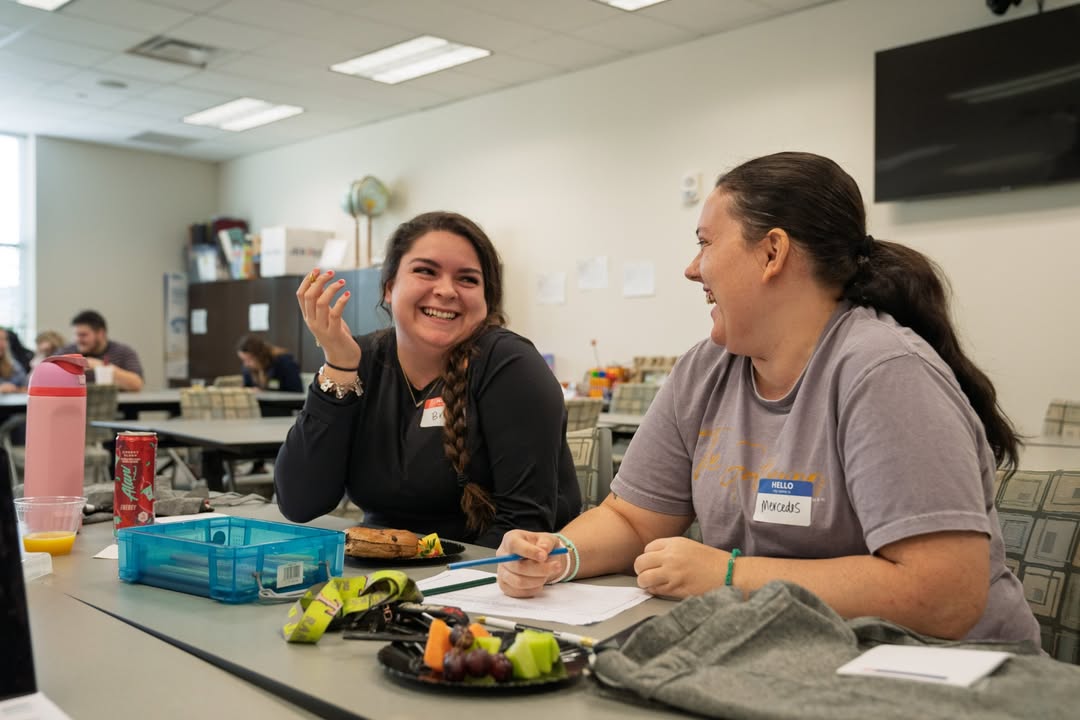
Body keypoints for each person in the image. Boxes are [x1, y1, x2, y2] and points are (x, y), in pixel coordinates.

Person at [495, 151, 1040, 645]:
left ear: (773, 252)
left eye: (706, 243)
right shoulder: (704, 369)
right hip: (794, 657)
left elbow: (942, 596)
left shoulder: (884, 371)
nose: (691, 267)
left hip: (951, 676)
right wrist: (558, 556)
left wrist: (729, 575)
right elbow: (634, 520)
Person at [275, 211, 581, 547]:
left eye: (467, 279)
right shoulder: (359, 358)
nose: (447, 290)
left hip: (492, 579)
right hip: (382, 567)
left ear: (486, 300)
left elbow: (526, 525)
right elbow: (300, 503)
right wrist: (339, 368)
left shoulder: (510, 365)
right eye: (425, 271)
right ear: (390, 287)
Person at [60, 310, 144, 391]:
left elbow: (137, 384)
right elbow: (48, 379)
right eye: (75, 335)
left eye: (83, 335)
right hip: (75, 404)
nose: (77, 340)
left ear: (101, 333)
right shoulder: (67, 352)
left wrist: (99, 366)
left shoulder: (123, 352)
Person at [236, 335, 303, 391]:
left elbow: (296, 391)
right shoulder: (247, 369)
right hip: (259, 405)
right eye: (243, 360)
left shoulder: (284, 362)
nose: (246, 364)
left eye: (249, 359)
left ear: (259, 355)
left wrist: (264, 392)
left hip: (283, 405)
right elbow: (248, 387)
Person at [0, 328, 28, 393]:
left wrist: (15, 389)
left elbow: (26, 387)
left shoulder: (13, 364)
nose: (2, 343)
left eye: (4, 339)